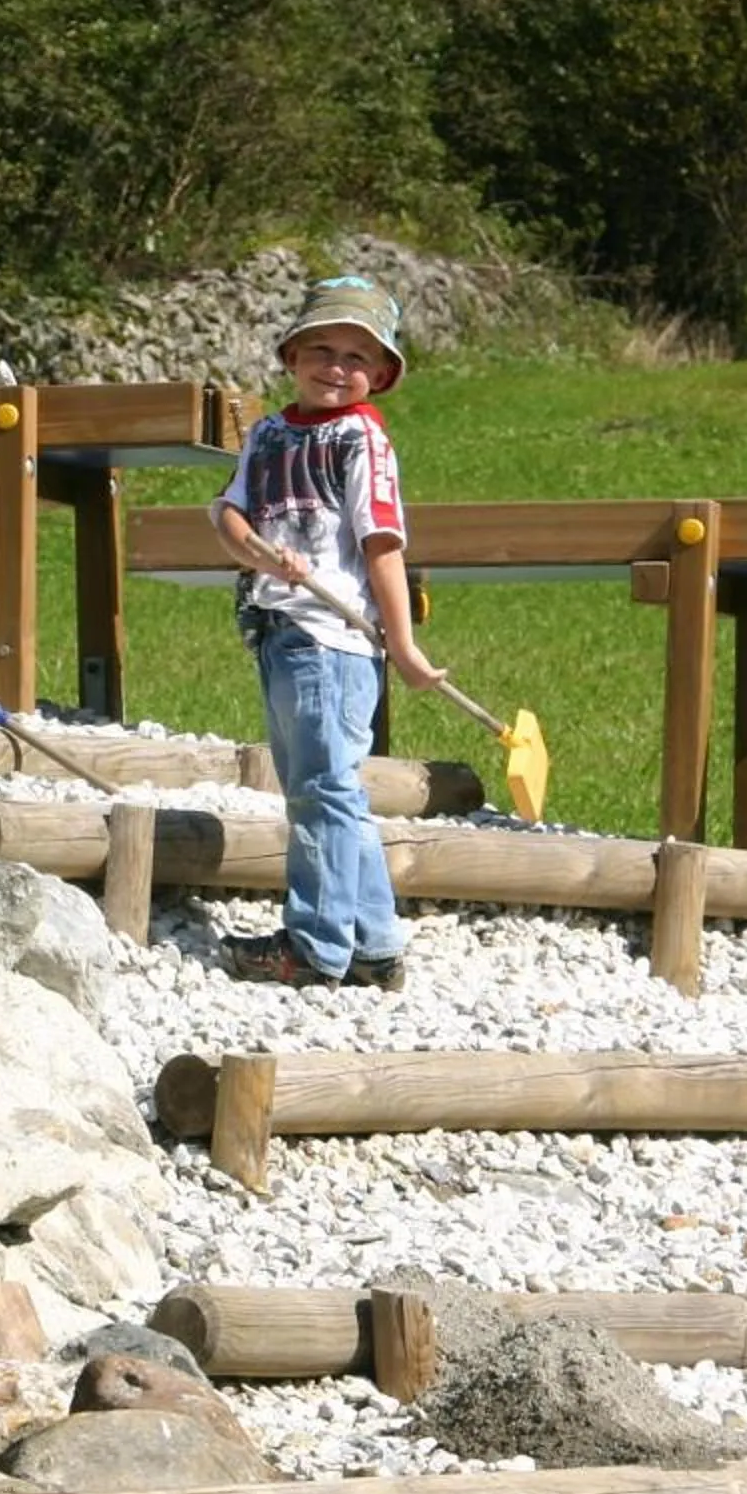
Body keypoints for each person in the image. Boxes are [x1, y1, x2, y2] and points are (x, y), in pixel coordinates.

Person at [208, 274, 446, 988]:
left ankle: (314, 948)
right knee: (324, 787)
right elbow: (226, 514)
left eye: (355, 357)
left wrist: (400, 644)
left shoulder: (362, 439)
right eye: (321, 349)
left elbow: (383, 544)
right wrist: (250, 548)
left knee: (322, 791)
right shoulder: (270, 433)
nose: (335, 368)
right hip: (277, 629)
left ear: (379, 374)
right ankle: (373, 948)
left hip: (333, 642)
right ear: (291, 355)